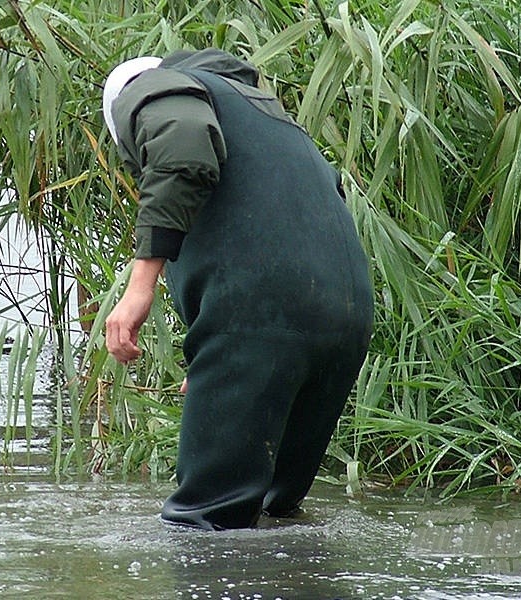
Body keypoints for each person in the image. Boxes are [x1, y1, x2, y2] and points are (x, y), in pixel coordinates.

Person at [102, 48, 374, 530]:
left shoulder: (145, 89)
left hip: (263, 316)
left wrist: (139, 285)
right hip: (346, 315)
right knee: (277, 514)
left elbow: (182, 145)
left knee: (206, 525)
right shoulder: (267, 117)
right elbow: (260, 229)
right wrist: (217, 355)